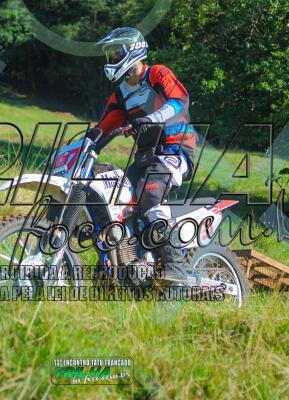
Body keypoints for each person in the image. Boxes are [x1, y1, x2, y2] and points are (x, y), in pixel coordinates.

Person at [88, 27, 197, 281]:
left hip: (175, 150)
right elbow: (102, 128)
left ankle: (175, 265)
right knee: (114, 198)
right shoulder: (121, 94)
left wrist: (150, 118)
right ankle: (122, 264)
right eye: (110, 54)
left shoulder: (157, 73)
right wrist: (82, 146)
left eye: (116, 53)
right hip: (146, 157)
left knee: (150, 196)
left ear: (133, 51)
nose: (112, 59)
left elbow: (180, 101)